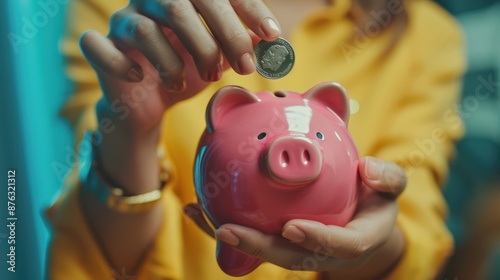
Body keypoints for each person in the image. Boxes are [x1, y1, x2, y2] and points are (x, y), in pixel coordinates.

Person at [46, 0, 465, 279]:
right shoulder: (138, 8)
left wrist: (369, 244)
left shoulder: (426, 36)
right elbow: (104, 264)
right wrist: (131, 132)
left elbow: (415, 238)